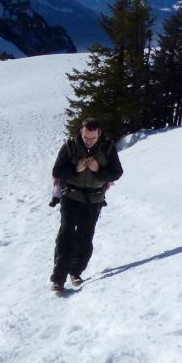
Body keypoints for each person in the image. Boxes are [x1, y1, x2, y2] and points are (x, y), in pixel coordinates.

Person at [49, 116, 123, 292]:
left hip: (94, 198)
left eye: (92, 138)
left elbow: (116, 173)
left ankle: (76, 272)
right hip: (71, 195)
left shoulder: (108, 148)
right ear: (81, 132)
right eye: (85, 137)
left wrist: (99, 170)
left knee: (85, 236)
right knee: (66, 233)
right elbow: (57, 170)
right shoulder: (70, 146)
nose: (88, 141)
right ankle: (58, 278)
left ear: (99, 134)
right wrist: (76, 169)